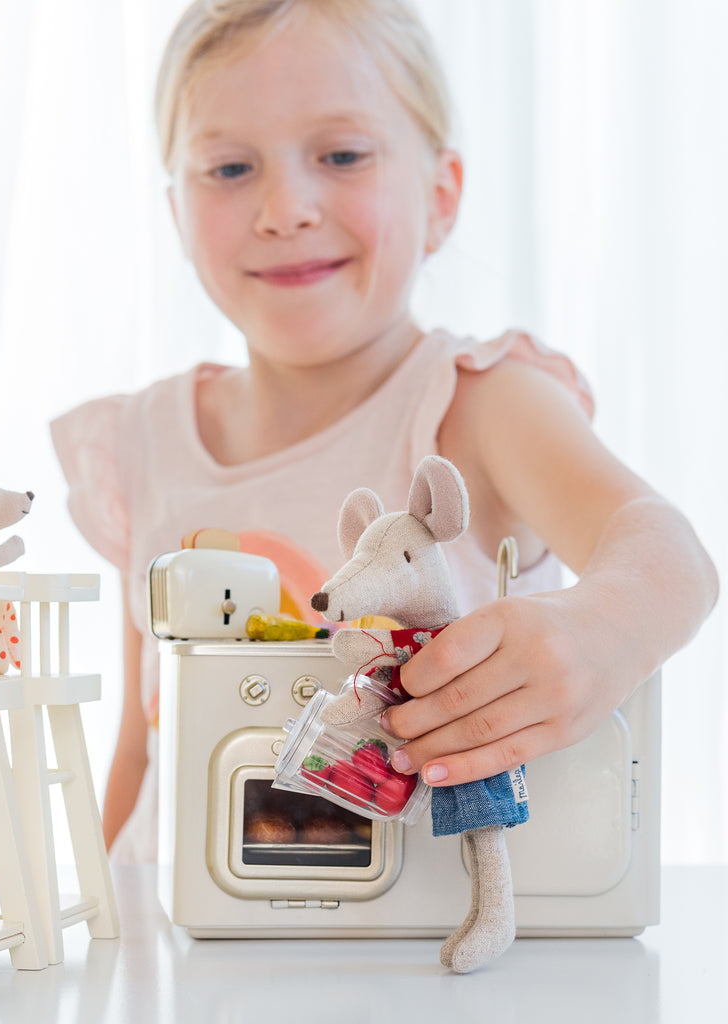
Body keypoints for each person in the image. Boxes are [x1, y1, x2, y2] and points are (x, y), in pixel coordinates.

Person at [51, 0, 718, 862]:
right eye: (228, 168)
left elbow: (675, 557)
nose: (285, 207)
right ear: (176, 209)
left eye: (341, 155)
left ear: (441, 196)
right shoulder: (141, 441)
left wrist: (606, 631)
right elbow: (140, 750)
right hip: (186, 981)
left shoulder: (481, 404)